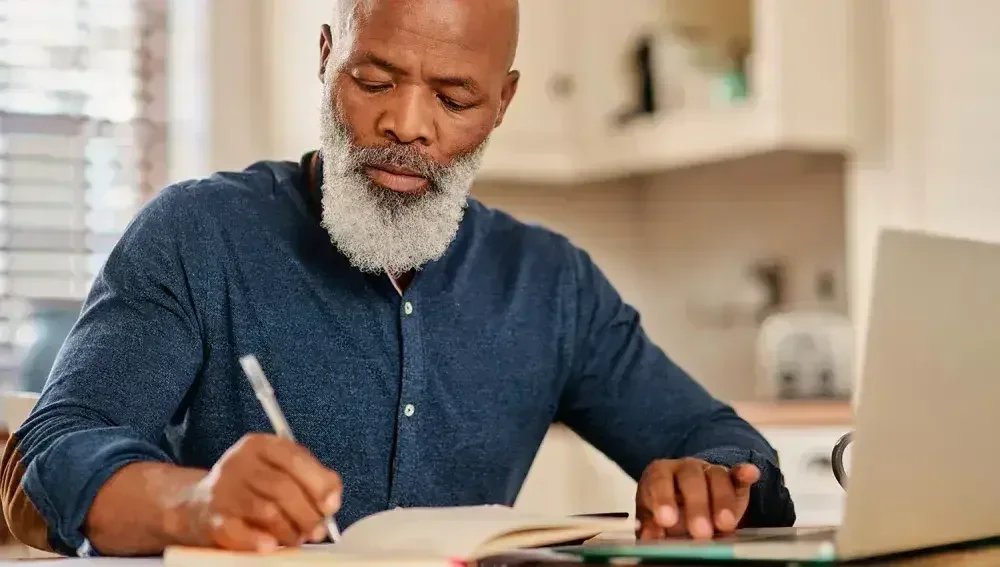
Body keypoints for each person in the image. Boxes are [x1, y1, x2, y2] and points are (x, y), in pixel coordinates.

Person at [0, 0, 795, 557]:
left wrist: (711, 479)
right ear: (324, 57)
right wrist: (197, 501)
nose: (406, 124)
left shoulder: (551, 283)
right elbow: (54, 453)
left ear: (503, 104)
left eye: (455, 97)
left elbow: (727, 446)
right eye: (374, 81)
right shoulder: (197, 234)